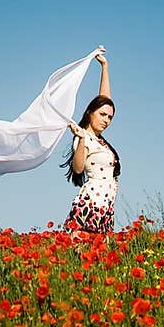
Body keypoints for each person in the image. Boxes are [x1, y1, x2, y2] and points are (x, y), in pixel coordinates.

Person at [60, 45, 121, 234]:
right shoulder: (83, 137)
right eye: (103, 115)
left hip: (106, 207)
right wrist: (80, 140)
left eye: (110, 117)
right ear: (90, 113)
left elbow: (105, 101)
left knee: (100, 259)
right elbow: (78, 168)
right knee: (84, 254)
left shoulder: (99, 139)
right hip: (91, 205)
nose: (106, 120)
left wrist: (105, 68)